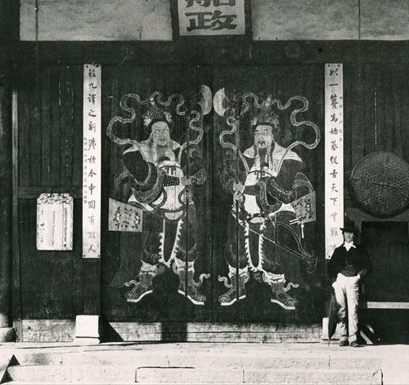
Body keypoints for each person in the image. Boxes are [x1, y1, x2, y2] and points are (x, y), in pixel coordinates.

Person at [218, 105, 316, 310]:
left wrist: (268, 204)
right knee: (233, 227)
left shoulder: (287, 158)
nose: (260, 137)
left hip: (277, 211)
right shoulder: (245, 156)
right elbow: (229, 179)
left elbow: (290, 189)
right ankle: (237, 283)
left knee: (277, 230)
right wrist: (234, 187)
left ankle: (278, 288)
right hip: (246, 210)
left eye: (265, 133)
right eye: (257, 133)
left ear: (274, 135)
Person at [119, 104, 207, 305]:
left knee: (189, 235)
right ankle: (144, 280)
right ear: (150, 133)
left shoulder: (179, 148)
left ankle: (187, 282)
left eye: (165, 130)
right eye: (156, 130)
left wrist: (194, 176)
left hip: (180, 201)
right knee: (149, 239)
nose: (161, 134)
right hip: (151, 202)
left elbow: (196, 172)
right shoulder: (138, 150)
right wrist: (173, 181)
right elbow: (140, 173)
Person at [328, 225, 372, 347]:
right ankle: (343, 337)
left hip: (353, 280)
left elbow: (368, 266)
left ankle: (353, 338)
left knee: (353, 310)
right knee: (341, 309)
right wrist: (334, 282)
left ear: (354, 235)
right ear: (343, 234)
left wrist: (358, 276)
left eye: (351, 233)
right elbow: (330, 268)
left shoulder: (359, 249)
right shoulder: (338, 250)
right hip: (340, 280)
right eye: (346, 233)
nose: (348, 235)